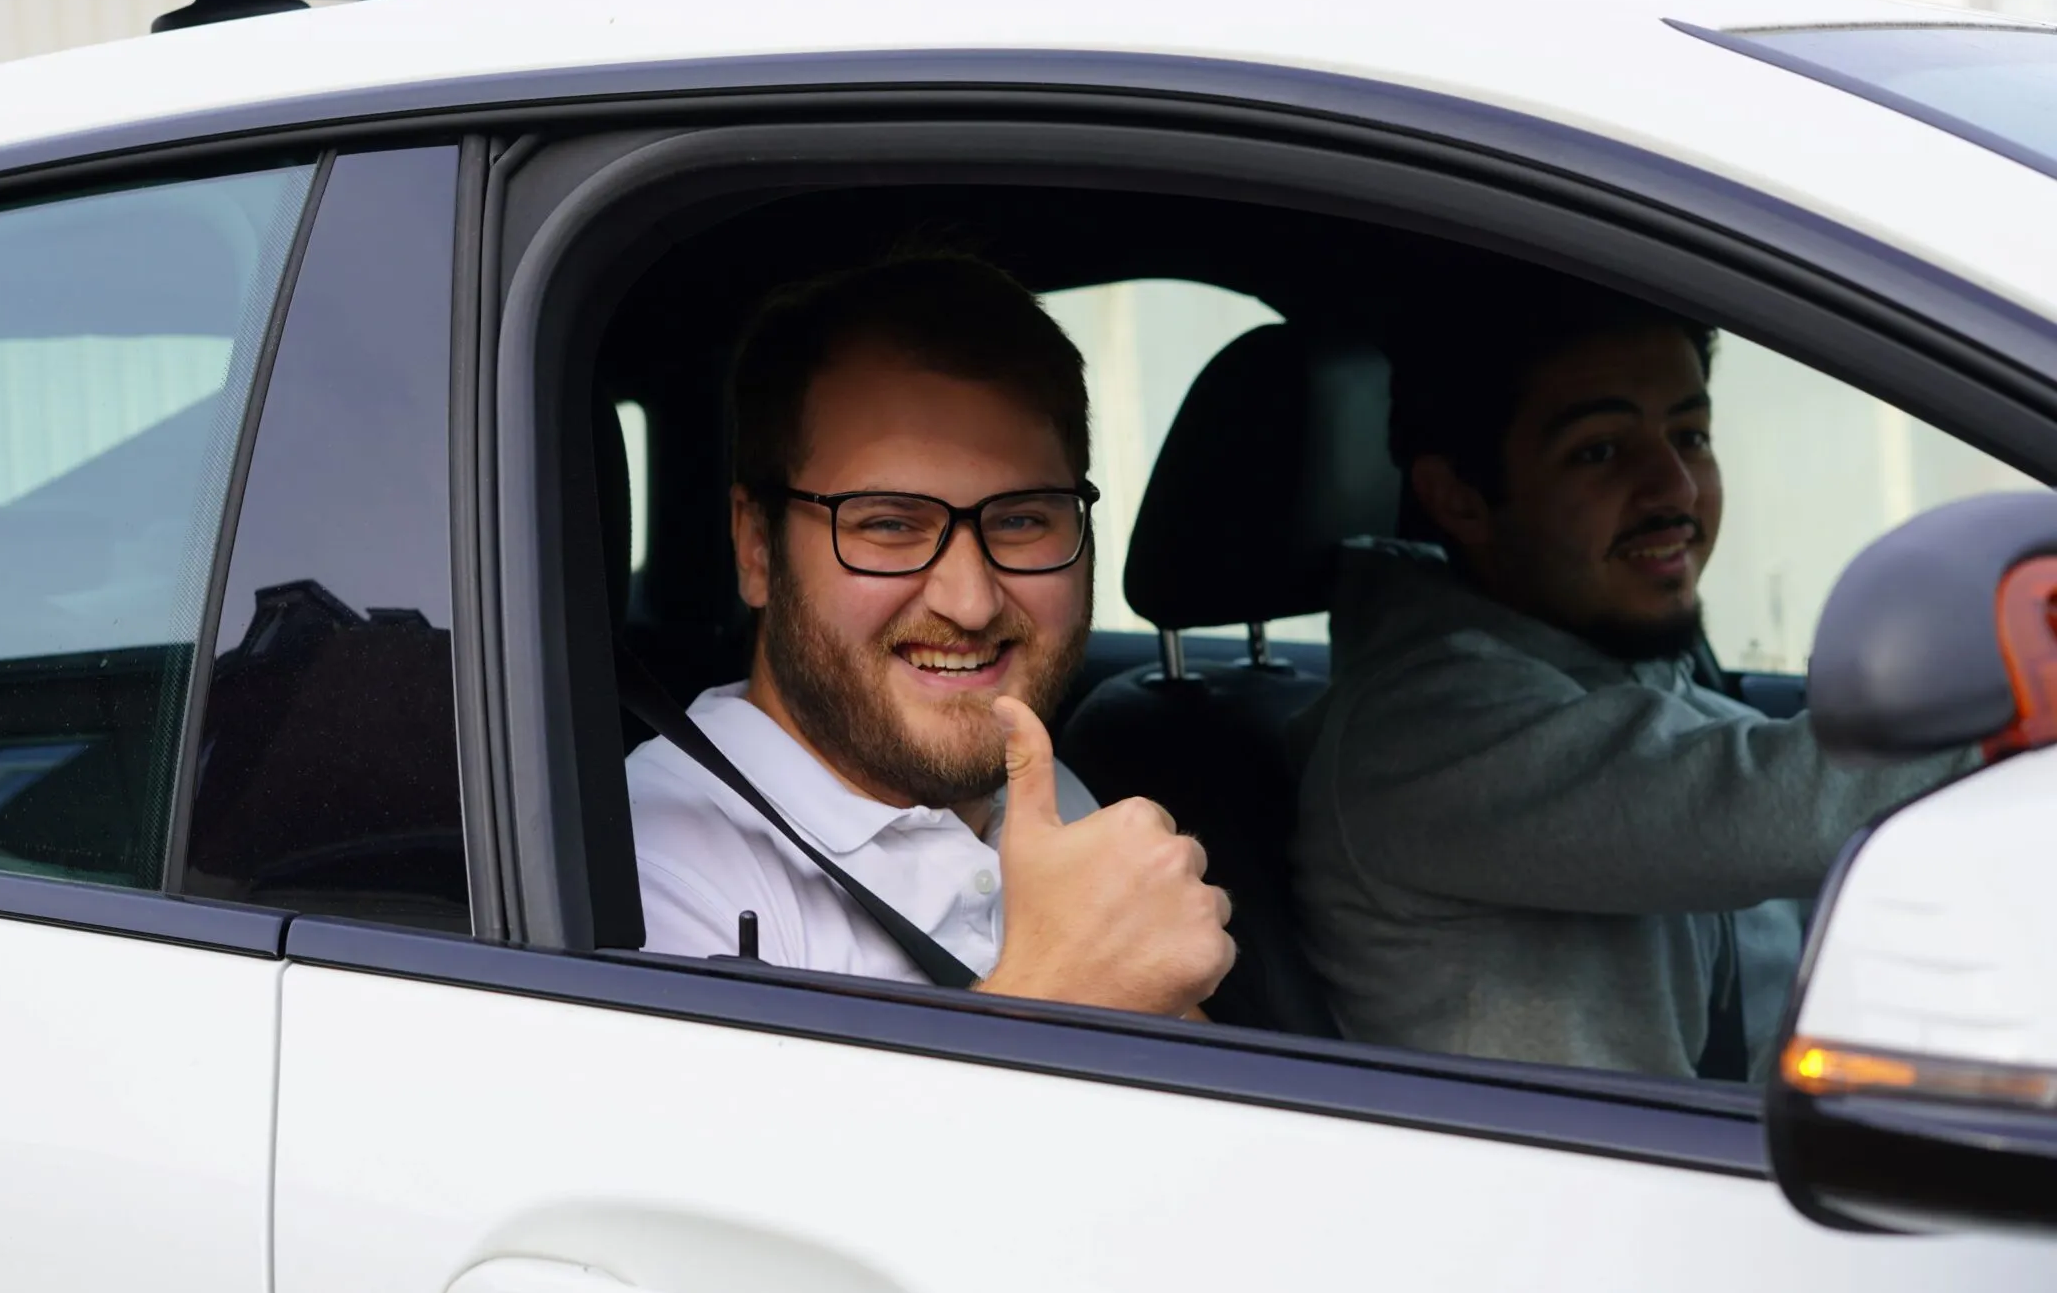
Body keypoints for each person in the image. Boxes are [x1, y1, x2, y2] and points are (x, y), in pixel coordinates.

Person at [1290, 276, 1975, 1078]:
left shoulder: (1639, 687)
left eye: (1690, 437)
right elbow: (1763, 805)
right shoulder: (1423, 734)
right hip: (1582, 1194)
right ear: (1460, 499)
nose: (1675, 491)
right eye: (1601, 451)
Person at [627, 254, 1235, 1018]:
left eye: (1019, 520)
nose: (972, 603)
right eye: (888, 523)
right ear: (757, 547)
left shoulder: (1040, 793)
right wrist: (1059, 997)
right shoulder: (655, 869)